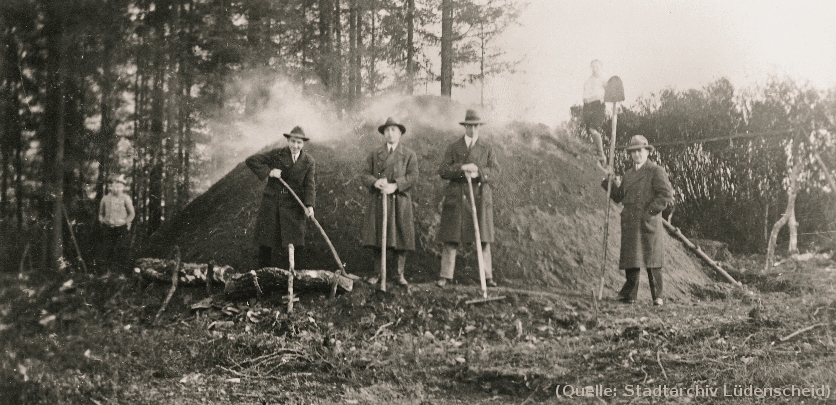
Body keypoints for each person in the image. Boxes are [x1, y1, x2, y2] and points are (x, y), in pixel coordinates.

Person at [602, 135, 673, 306]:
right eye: (633, 152)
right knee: (632, 259)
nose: (636, 155)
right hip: (631, 221)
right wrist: (608, 182)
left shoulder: (656, 171)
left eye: (639, 151)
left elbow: (665, 195)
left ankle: (658, 296)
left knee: (652, 259)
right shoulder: (628, 175)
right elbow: (619, 197)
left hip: (648, 221)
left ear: (647, 152)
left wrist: (649, 212)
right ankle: (630, 295)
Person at [436, 109, 499, 288]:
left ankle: (487, 277)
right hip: (458, 197)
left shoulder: (487, 148)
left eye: (476, 126)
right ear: (465, 127)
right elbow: (443, 170)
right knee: (451, 237)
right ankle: (445, 276)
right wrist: (463, 168)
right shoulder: (454, 147)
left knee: (483, 238)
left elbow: (495, 171)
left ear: (480, 127)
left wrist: (478, 171)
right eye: (469, 126)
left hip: (479, 197)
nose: (473, 130)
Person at [246, 126, 316, 269]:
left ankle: (295, 278)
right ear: (288, 141)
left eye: (299, 143)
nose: (295, 146)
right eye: (292, 141)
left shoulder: (309, 161)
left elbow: (309, 185)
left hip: (294, 205)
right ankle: (262, 276)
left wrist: (309, 205)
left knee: (295, 241)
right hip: (272, 203)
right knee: (267, 241)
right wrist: (269, 172)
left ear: (303, 144)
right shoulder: (277, 154)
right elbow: (251, 160)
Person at [360, 117, 419, 286]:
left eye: (393, 130)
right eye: (387, 130)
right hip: (379, 200)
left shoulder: (409, 154)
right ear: (383, 133)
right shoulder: (375, 154)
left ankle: (399, 274)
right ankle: (377, 273)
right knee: (379, 237)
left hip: (399, 200)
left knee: (401, 236)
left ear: (400, 133)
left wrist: (396, 186)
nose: (390, 133)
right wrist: (375, 182)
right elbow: (364, 174)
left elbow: (413, 176)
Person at [97, 174, 135, 271]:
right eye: (115, 186)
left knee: (121, 250)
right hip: (108, 228)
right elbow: (100, 213)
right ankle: (106, 272)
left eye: (119, 186)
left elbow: (132, 214)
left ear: (123, 187)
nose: (117, 188)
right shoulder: (105, 199)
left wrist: (125, 222)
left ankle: (119, 272)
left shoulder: (126, 198)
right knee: (107, 249)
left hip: (121, 228)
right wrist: (102, 220)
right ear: (111, 187)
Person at [583, 59, 607, 166]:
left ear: (601, 68)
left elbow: (610, 92)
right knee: (589, 130)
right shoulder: (588, 81)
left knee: (594, 129)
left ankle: (601, 153)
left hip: (598, 105)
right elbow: (585, 96)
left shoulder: (603, 80)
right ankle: (596, 152)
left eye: (597, 67)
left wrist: (602, 98)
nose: (595, 69)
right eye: (593, 67)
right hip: (588, 106)